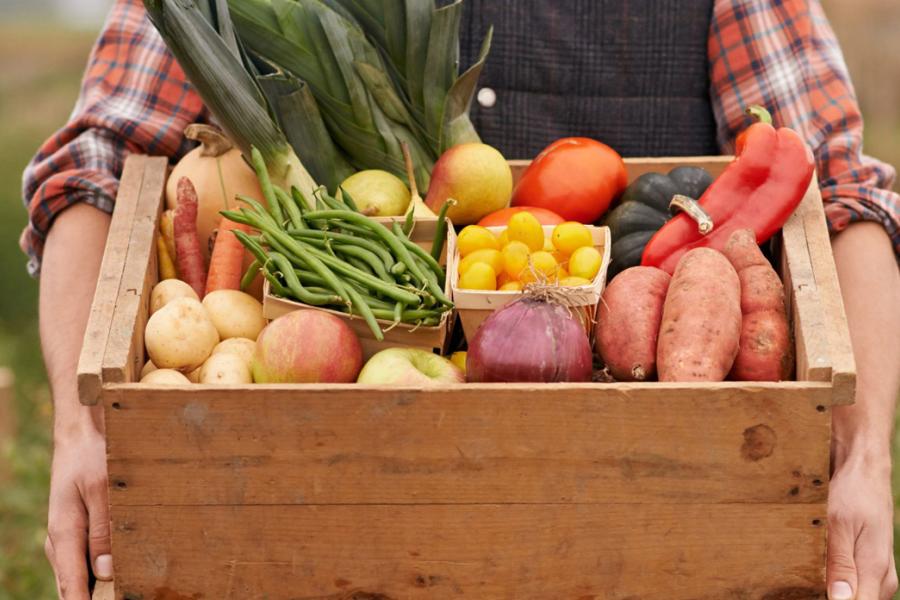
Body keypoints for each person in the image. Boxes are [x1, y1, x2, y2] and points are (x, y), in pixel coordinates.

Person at [22, 0, 899, 598]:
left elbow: (843, 192)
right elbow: (96, 168)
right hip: (321, 512)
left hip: (652, 506)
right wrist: (79, 428)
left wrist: (861, 459)